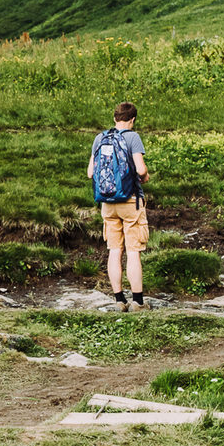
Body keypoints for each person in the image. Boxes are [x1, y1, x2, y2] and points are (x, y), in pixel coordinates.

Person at [88, 101, 150, 311]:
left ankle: (119, 300)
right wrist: (145, 175)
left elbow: (90, 173)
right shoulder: (133, 137)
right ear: (132, 120)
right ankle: (138, 302)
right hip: (130, 201)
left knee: (114, 250)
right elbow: (141, 170)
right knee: (133, 251)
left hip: (107, 202)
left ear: (115, 118)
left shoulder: (100, 138)